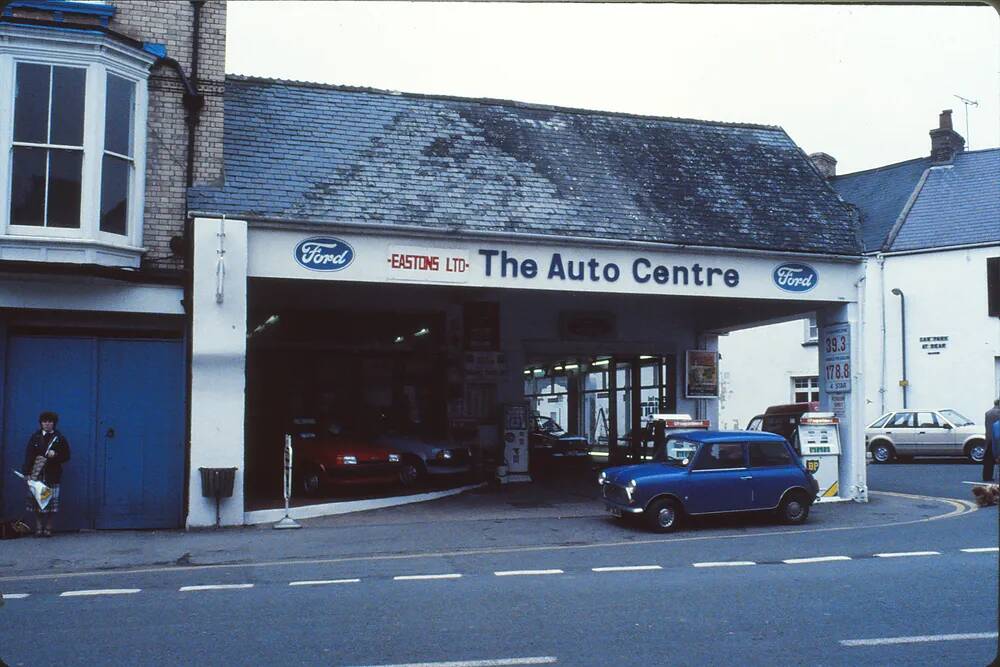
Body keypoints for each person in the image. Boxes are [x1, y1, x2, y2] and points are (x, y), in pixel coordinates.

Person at [22, 411, 71, 537]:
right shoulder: (35, 437)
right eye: (44, 421)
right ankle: (39, 527)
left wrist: (56, 455)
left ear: (54, 423)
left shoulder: (59, 438)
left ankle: (48, 526)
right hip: (36, 474)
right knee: (37, 502)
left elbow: (67, 456)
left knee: (50, 502)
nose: (47, 424)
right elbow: (29, 455)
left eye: (50, 421)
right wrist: (26, 472)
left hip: (52, 474)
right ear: (41, 423)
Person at [983, 399, 1000, 482]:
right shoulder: (998, 412)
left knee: (988, 459)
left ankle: (986, 476)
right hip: (997, 436)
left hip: (989, 437)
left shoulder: (988, 413)